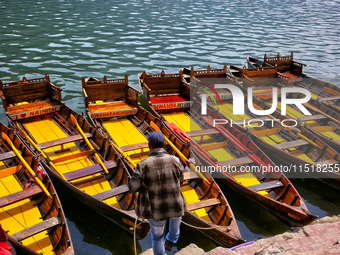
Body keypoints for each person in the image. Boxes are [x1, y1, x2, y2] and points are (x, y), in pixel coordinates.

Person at [129, 131, 186, 255]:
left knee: (157, 238)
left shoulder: (143, 165)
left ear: (149, 146)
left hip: (155, 209)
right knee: (176, 217)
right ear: (165, 144)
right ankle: (171, 240)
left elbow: (133, 188)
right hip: (175, 203)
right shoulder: (176, 160)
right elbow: (181, 180)